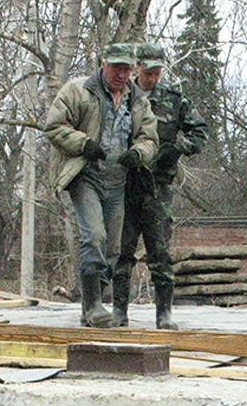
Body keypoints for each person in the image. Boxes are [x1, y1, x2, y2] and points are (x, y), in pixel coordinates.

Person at [44, 43, 159, 327]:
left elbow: (150, 137)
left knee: (113, 249)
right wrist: (84, 144)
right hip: (87, 175)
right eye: (116, 68)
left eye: (126, 69)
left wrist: (139, 153)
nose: (121, 74)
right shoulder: (78, 90)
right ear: (103, 63)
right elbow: (54, 126)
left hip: (119, 179)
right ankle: (94, 305)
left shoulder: (138, 101)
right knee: (93, 236)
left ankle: (89, 306)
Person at [112, 43, 209, 330]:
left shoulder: (174, 100)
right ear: (138, 67)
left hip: (159, 186)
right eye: (148, 71)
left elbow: (200, 131)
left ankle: (164, 314)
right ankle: (119, 311)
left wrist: (179, 147)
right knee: (121, 251)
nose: (153, 77)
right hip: (125, 183)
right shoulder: (122, 95)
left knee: (160, 251)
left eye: (158, 72)